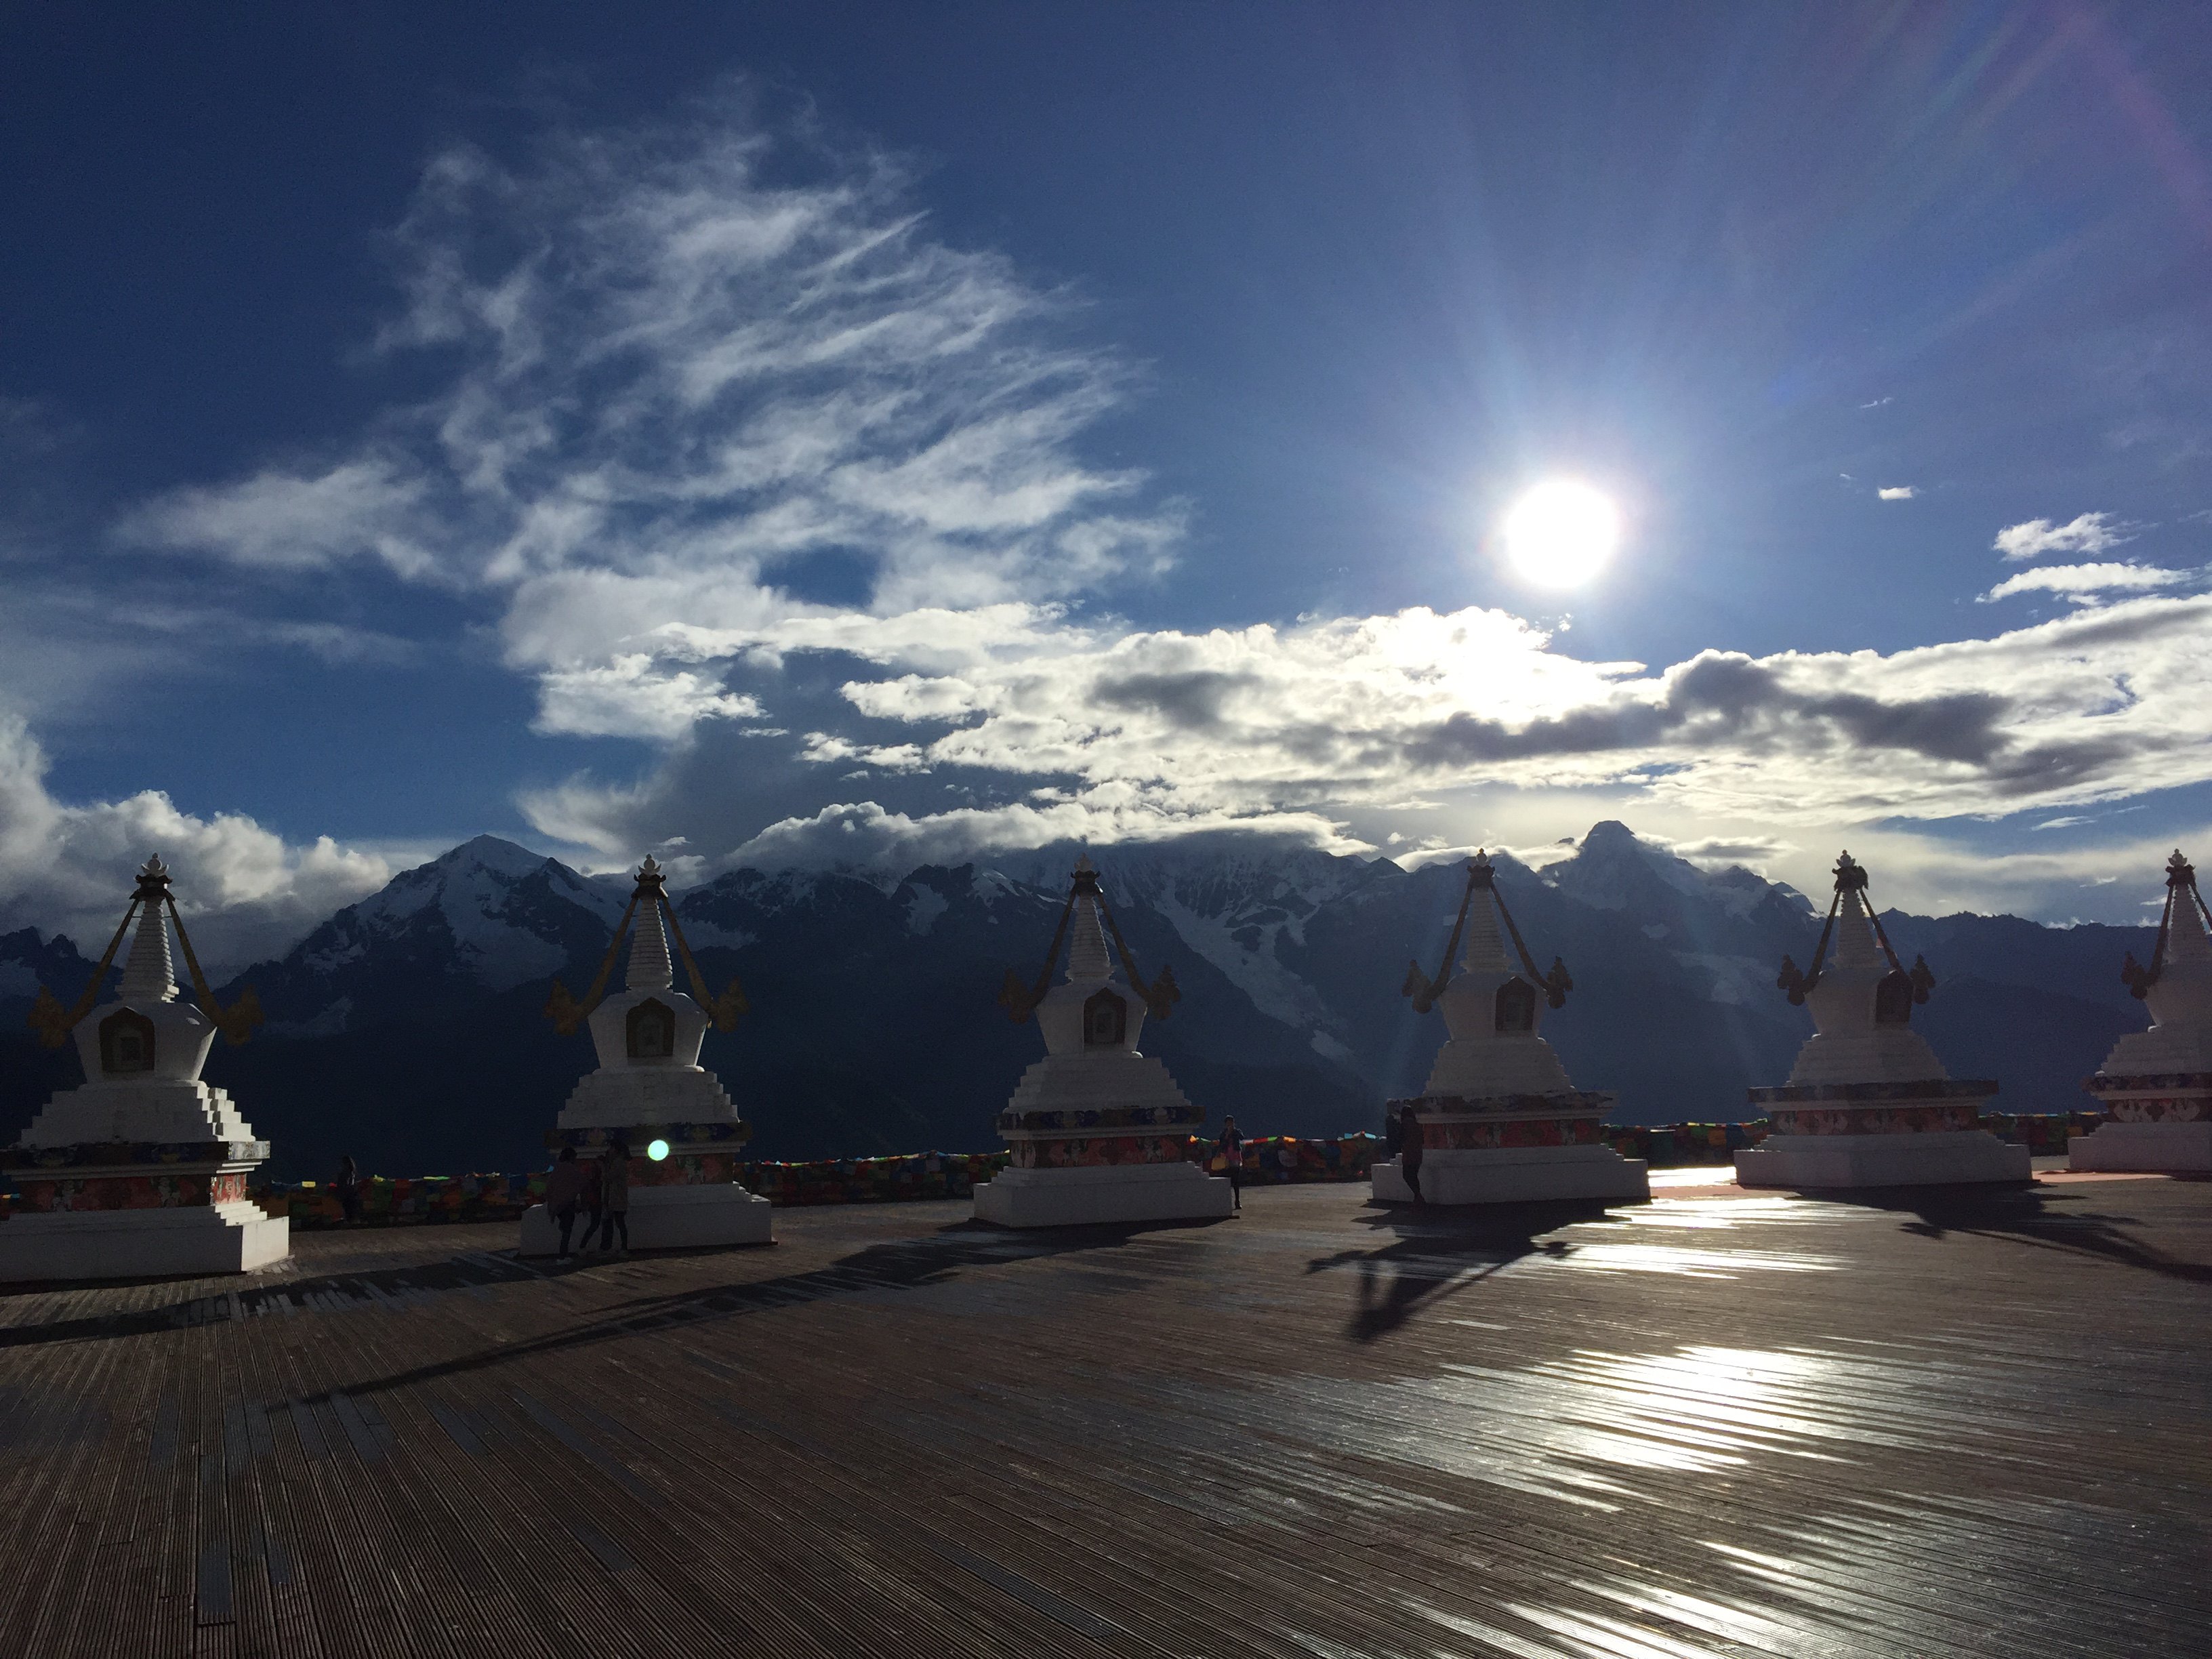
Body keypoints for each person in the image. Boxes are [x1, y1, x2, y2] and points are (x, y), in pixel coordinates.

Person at [546, 1147, 586, 1261]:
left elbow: (550, 1188)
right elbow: (582, 1184)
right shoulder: (573, 1170)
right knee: (567, 1231)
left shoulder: (556, 1170)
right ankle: (562, 1256)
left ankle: (563, 1255)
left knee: (565, 1230)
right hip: (568, 1204)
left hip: (556, 1205)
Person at [598, 1140, 631, 1256]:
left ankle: (621, 1248)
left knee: (618, 1223)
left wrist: (603, 1167)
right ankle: (616, 1247)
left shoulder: (618, 1162)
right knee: (617, 1223)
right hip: (616, 1198)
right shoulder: (618, 1162)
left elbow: (608, 1177)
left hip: (616, 1199)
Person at [1214, 1115, 1245, 1213]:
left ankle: (1237, 1201)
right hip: (1226, 1157)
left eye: (1231, 1122)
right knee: (1227, 1179)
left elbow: (1242, 1137)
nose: (1229, 1124)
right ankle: (1227, 1201)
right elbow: (1221, 1144)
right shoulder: (1223, 1133)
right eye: (1228, 1123)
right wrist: (1227, 1136)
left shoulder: (1237, 1131)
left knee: (1236, 1180)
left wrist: (1233, 1132)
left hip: (1235, 1156)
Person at [575, 1152, 605, 1254]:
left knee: (595, 1225)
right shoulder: (596, 1180)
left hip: (594, 1202)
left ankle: (583, 1246)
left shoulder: (590, 1180)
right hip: (597, 1203)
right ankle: (583, 1246)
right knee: (596, 1225)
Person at [1400, 1106, 1425, 1205]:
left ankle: (1418, 1195)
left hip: (1408, 1153)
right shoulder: (1418, 1125)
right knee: (1414, 1175)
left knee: (1407, 1175)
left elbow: (1401, 1139)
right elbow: (1422, 1140)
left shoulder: (1404, 1125)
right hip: (1418, 1154)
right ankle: (1418, 1197)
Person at [336, 1153, 362, 1227]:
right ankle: (352, 1221)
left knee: (348, 1207)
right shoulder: (352, 1171)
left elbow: (347, 1183)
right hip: (350, 1193)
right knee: (350, 1208)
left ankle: (350, 1221)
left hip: (347, 1193)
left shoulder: (347, 1171)